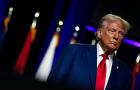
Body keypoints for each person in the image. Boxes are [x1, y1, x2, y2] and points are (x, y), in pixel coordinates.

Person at [46, 14, 132, 90]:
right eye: (112, 31)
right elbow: (52, 84)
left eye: (121, 34)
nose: (116, 36)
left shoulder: (125, 74)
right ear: (99, 33)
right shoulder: (74, 52)